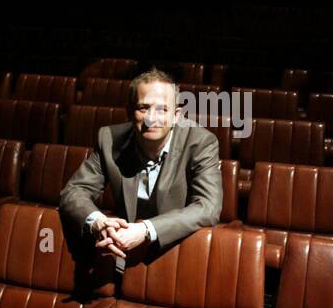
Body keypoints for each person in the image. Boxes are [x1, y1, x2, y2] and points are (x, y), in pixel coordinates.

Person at [59, 68, 222, 266]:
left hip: (177, 254)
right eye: (143, 108)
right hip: (122, 251)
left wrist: (146, 229)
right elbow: (74, 191)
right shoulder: (109, 139)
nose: (151, 118)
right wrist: (98, 222)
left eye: (162, 109)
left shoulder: (201, 142)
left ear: (176, 115)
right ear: (129, 111)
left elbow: (208, 207)